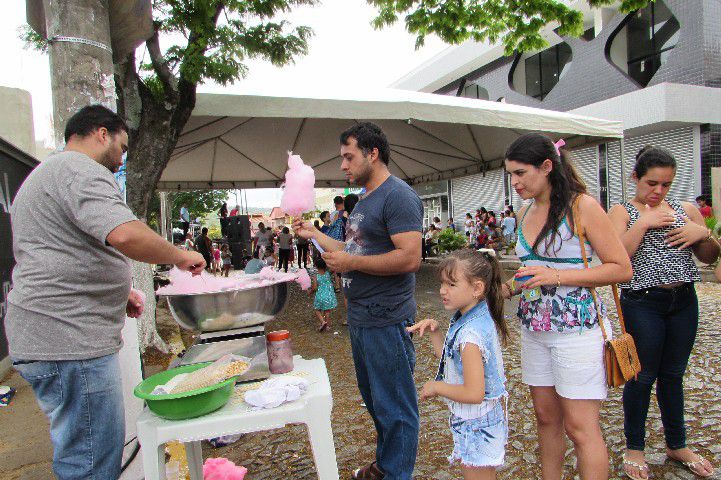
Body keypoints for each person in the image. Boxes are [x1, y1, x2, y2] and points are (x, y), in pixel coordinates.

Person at [5, 104, 205, 480]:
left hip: (50, 332)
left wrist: (117, 292)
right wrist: (179, 256)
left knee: (85, 452)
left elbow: (60, 251)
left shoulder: (47, 173)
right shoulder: (80, 170)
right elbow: (125, 233)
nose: (122, 158)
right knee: (91, 461)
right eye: (123, 147)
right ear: (102, 133)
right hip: (68, 338)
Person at [293, 122, 422, 480]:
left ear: (373, 153)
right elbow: (352, 250)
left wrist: (352, 263)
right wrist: (315, 234)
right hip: (362, 316)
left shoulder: (398, 196)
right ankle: (386, 464)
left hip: (387, 316)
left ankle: (396, 473)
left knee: (396, 406)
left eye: (349, 157)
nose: (343, 165)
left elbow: (411, 258)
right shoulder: (365, 199)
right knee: (377, 401)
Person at [501, 132, 632, 480]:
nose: (514, 182)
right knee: (546, 419)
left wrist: (557, 275)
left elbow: (621, 268)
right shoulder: (526, 208)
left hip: (577, 332)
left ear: (546, 167)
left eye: (520, 173)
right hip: (534, 331)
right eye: (510, 174)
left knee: (580, 427)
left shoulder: (582, 206)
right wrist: (504, 288)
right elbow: (532, 271)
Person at [608, 146, 719, 479]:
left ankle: (676, 443)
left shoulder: (685, 209)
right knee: (641, 377)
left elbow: (709, 258)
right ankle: (635, 447)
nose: (658, 191)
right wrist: (643, 223)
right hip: (642, 301)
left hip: (684, 298)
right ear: (635, 178)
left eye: (665, 185)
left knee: (673, 375)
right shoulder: (622, 211)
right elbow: (616, 261)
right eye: (651, 183)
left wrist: (706, 233)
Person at [409, 249, 509, 480]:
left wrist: (437, 387)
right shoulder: (473, 316)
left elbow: (474, 393)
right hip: (478, 420)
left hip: (477, 424)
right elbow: (454, 365)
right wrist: (436, 333)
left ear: (477, 288)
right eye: (442, 283)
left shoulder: (470, 335)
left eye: (451, 285)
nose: (443, 291)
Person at [311, 258, 338, 332]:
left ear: (316, 266)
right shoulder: (328, 273)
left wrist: (310, 291)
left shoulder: (316, 276)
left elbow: (315, 288)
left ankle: (323, 322)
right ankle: (328, 326)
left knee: (317, 309)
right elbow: (333, 268)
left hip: (320, 296)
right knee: (327, 311)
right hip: (329, 295)